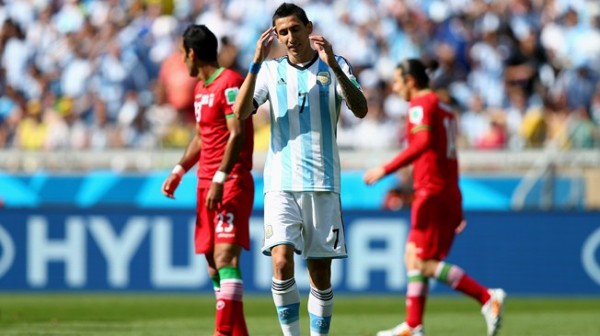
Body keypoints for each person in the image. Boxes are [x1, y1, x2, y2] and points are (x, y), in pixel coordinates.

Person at [234, 3, 367, 336]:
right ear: (275, 36)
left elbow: (360, 108)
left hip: (323, 183)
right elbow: (239, 113)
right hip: (280, 181)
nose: (290, 38)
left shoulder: (334, 66)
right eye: (283, 32)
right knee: (280, 261)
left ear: (309, 28)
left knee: (320, 274)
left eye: (295, 29)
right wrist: (254, 62)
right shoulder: (268, 71)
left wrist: (334, 66)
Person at [363, 59, 506, 336]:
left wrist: (385, 168)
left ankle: (487, 297)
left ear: (411, 81)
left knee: (422, 262)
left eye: (396, 81)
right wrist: (457, 201)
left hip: (431, 193)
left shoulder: (420, 105)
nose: (394, 88)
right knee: (413, 256)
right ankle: (413, 325)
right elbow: (449, 158)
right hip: (445, 191)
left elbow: (423, 143)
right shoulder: (445, 109)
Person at [161, 24, 254, 336]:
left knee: (226, 256)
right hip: (206, 183)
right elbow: (202, 136)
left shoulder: (230, 82)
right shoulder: (201, 91)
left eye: (181, 54)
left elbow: (237, 134)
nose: (181, 60)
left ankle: (221, 333)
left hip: (230, 181)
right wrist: (179, 170)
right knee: (214, 266)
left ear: (191, 53)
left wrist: (220, 176)